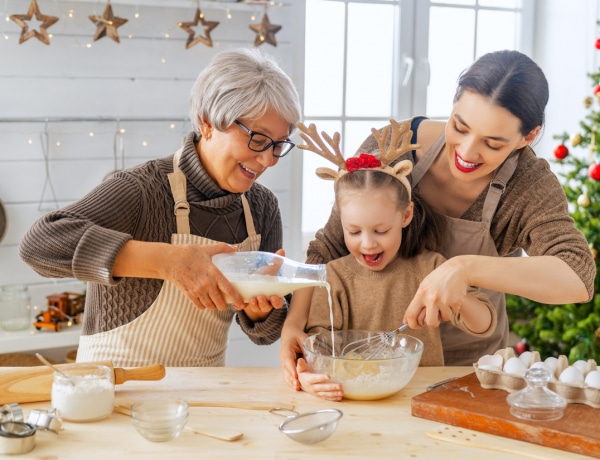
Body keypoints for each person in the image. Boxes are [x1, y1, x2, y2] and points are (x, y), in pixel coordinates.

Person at [281, 49, 596, 388]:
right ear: (453, 102)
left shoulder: (528, 185)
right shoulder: (395, 147)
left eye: (492, 143)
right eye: (459, 126)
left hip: (471, 371)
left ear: (527, 137)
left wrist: (463, 269)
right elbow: (327, 248)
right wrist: (294, 325)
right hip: (373, 367)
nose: (467, 152)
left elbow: (578, 276)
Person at [19, 48, 302, 367]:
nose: (269, 160)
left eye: (279, 144)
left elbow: (263, 334)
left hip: (205, 393)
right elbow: (38, 245)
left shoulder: (262, 207)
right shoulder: (140, 190)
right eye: (259, 139)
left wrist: (259, 309)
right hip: (114, 390)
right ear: (207, 123)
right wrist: (167, 261)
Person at [287, 121, 497, 400]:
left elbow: (483, 325)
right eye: (354, 231)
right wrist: (309, 374)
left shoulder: (431, 269)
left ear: (406, 216)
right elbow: (317, 347)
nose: (368, 242)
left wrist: (457, 295)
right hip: (351, 398)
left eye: (381, 230)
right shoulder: (334, 277)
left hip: (421, 395)